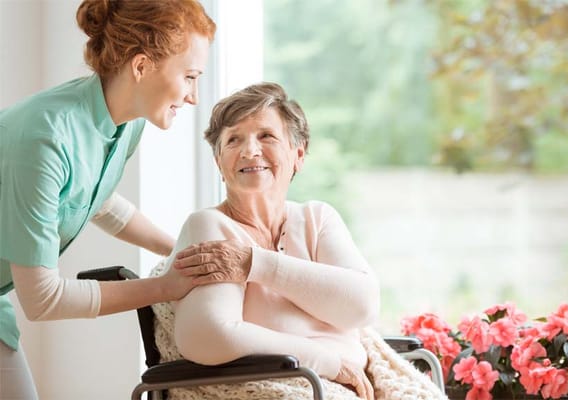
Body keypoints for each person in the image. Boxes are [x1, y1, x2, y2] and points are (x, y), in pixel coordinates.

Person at [0, 1, 217, 399]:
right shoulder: (45, 138)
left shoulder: (125, 123)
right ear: (141, 66)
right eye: (189, 77)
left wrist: (181, 250)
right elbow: (43, 298)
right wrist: (165, 286)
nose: (193, 97)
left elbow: (95, 199)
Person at [152, 82, 381, 400]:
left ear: (298, 155)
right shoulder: (209, 226)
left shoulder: (318, 218)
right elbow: (208, 337)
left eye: (266, 136)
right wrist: (328, 363)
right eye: (233, 140)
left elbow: (362, 307)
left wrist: (254, 264)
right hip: (289, 389)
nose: (249, 151)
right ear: (219, 163)